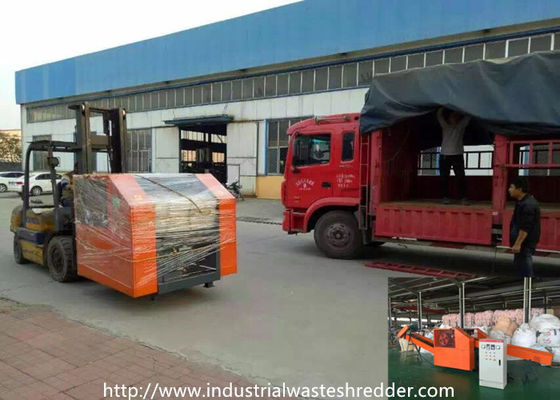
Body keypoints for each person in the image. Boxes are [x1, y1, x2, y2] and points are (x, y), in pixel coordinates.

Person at [437, 107, 471, 205]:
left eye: (456, 117)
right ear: (448, 119)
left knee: (461, 177)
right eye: (452, 117)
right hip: (445, 155)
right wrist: (443, 106)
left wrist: (459, 109)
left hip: (457, 155)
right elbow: (439, 115)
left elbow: (469, 116)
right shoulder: (445, 126)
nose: (454, 118)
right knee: (444, 178)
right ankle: (445, 197)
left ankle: (463, 198)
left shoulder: (461, 126)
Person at [508, 177, 541, 278]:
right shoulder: (522, 202)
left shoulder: (528, 205)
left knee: (524, 268)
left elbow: (525, 227)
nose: (509, 189)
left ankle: (527, 283)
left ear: (519, 189)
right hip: (523, 244)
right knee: (520, 266)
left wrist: (518, 244)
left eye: (511, 187)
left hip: (525, 244)